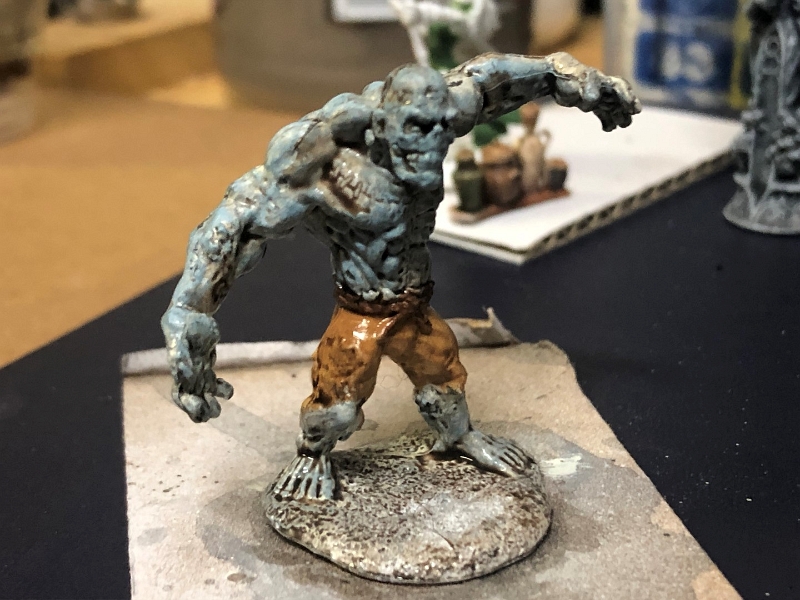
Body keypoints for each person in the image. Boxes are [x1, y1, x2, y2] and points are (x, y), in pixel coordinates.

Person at [161, 52, 640, 501]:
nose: (433, 143)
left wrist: (572, 79)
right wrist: (189, 310)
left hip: (412, 306)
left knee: (444, 376)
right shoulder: (326, 167)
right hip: (361, 312)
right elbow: (235, 222)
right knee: (337, 407)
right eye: (416, 129)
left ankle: (458, 438)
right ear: (381, 126)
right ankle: (312, 455)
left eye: (441, 128)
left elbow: (501, 80)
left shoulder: (444, 109)